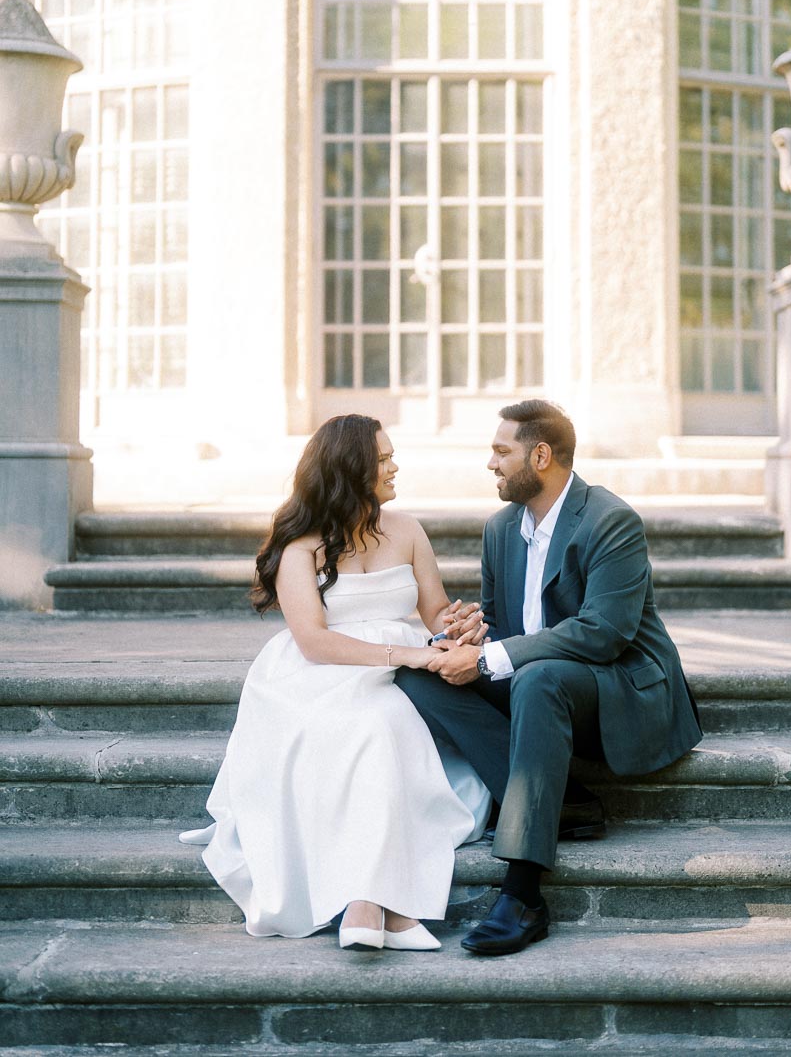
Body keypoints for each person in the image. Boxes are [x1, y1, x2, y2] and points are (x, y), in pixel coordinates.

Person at [395, 399, 703, 956]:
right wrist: (469, 637)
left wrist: (491, 659)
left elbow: (604, 633)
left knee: (538, 680)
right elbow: (506, 628)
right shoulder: (500, 529)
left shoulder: (611, 521)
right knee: (420, 674)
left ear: (540, 455)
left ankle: (523, 893)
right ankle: (563, 802)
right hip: (544, 687)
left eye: (500, 451)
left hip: (618, 687)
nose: (491, 464)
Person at [180, 414, 491, 950]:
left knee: (387, 721)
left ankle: (370, 905)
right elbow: (315, 643)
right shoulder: (300, 547)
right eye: (384, 459)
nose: (396, 467)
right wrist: (410, 656)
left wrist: (460, 626)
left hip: (403, 669)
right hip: (321, 674)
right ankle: (375, 904)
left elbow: (435, 610)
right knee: (373, 724)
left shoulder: (408, 529)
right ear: (351, 469)